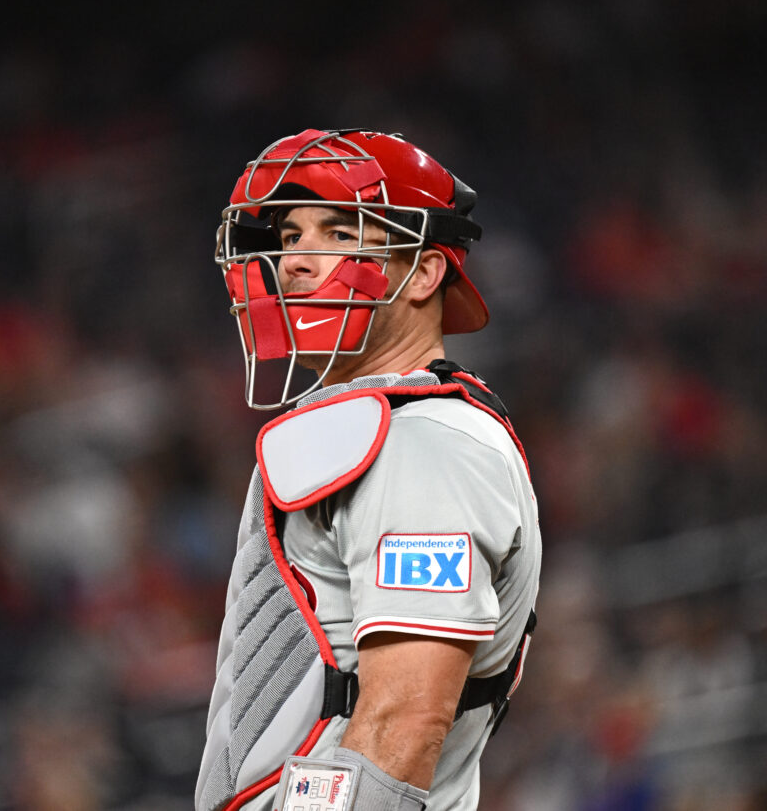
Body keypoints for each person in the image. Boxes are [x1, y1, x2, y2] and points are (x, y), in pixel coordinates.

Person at [196, 129, 542, 811]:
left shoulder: (428, 442)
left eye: (336, 230)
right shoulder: (375, 429)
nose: (293, 259)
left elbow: (403, 722)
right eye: (290, 235)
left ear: (422, 271)